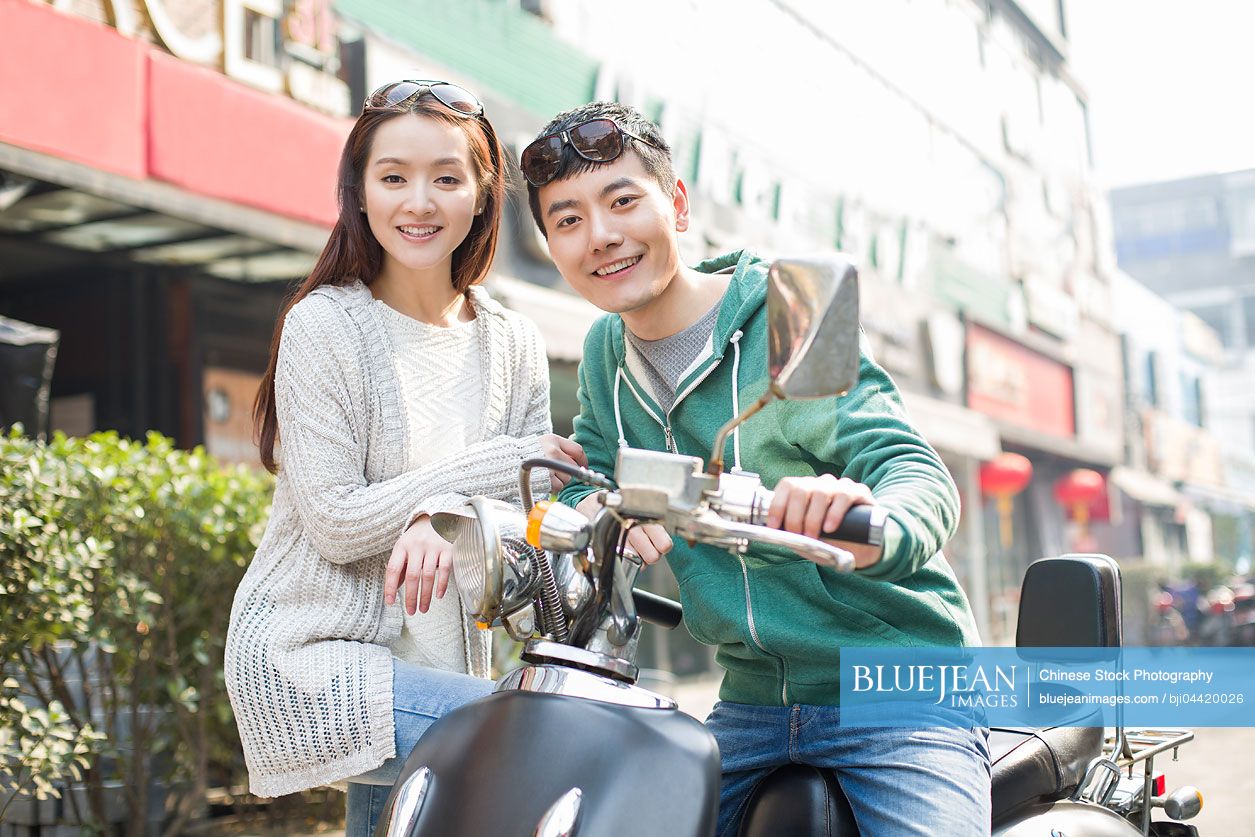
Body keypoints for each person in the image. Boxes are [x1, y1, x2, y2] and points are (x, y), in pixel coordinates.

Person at [521, 102, 990, 836]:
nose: (602, 236)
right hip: (749, 700)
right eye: (568, 219)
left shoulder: (789, 306)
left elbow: (910, 469)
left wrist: (871, 517)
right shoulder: (603, 349)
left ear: (675, 205)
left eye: (621, 202)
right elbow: (597, 470)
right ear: (549, 243)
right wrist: (583, 500)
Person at [224, 80, 584, 837]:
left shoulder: (510, 341)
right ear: (359, 192)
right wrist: (472, 485)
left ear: (484, 195)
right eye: (393, 178)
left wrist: (447, 516)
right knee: (546, 743)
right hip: (321, 659)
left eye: (446, 178)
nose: (418, 202)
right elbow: (337, 523)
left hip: (451, 666)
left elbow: (533, 518)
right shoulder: (324, 326)